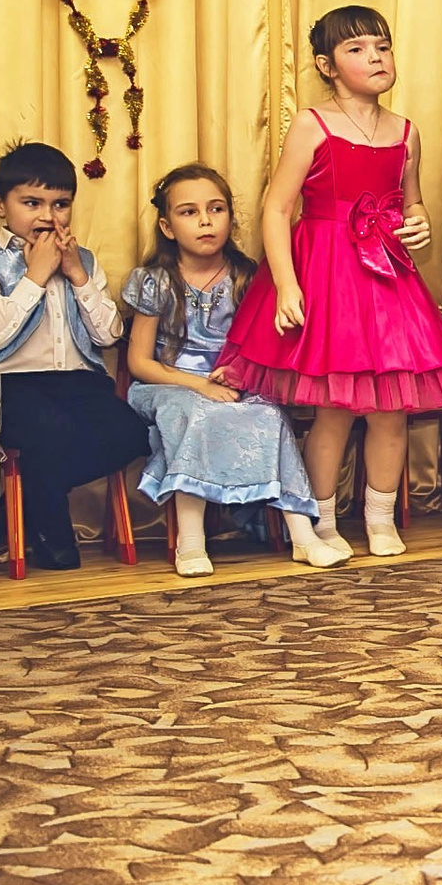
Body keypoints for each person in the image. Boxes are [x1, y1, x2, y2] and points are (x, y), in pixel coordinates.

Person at [218, 6, 442, 557]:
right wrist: (286, 285)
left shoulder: (406, 132)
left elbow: (411, 201)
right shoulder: (312, 124)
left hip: (386, 280)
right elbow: (277, 209)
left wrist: (416, 223)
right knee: (330, 410)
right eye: (357, 49)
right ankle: (321, 520)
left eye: (382, 45)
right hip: (327, 274)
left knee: (390, 410)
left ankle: (380, 518)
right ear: (327, 66)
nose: (375, 56)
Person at [122, 164, 327, 576]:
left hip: (235, 380)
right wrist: (197, 384)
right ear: (166, 225)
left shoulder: (247, 277)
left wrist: (235, 375)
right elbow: (139, 362)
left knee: (269, 415)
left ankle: (304, 537)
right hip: (168, 382)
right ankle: (191, 542)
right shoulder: (155, 280)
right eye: (189, 212)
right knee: (196, 414)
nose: (205, 221)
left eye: (216, 209)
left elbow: (264, 345)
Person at [0, 141, 148, 572]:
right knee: (49, 430)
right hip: (12, 385)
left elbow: (108, 335)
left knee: (133, 432)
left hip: (79, 381)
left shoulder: (82, 260)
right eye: (32, 202)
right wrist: (36, 275)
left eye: (60, 204)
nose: (47, 216)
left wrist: (77, 275)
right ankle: (54, 538)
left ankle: (21, 504)